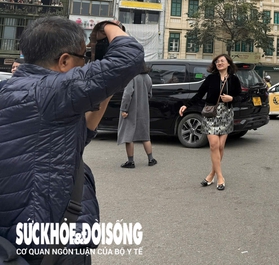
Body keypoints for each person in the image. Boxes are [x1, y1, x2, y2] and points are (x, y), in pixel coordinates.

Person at [0, 17, 144, 260]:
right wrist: (109, 27)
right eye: (83, 58)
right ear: (64, 61)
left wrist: (103, 86)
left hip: (19, 235)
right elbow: (129, 57)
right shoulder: (50, 91)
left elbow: (76, 137)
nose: (86, 64)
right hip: (52, 242)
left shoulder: (11, 90)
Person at [179, 54, 241, 191]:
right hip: (211, 113)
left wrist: (231, 98)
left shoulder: (234, 79)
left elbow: (240, 97)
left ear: (228, 64)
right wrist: (186, 105)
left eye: (222, 61)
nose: (219, 63)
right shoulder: (211, 78)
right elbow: (200, 94)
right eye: (217, 61)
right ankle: (220, 177)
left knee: (220, 147)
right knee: (213, 145)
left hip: (226, 114)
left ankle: (211, 174)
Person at [118, 66, 157, 168]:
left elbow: (127, 94)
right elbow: (149, 94)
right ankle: (151, 159)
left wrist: (124, 109)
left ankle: (131, 161)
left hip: (131, 109)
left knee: (128, 135)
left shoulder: (131, 77)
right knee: (145, 134)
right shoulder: (148, 77)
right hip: (143, 108)